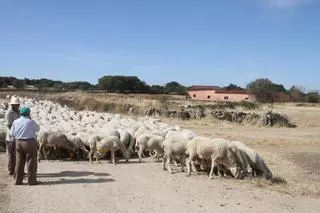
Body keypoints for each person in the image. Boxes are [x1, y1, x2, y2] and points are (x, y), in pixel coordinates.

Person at [10, 107, 40, 185]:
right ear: (29, 113)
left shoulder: (15, 122)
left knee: (19, 162)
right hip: (29, 143)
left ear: (20, 113)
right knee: (31, 162)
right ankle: (32, 181)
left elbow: (12, 134)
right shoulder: (31, 122)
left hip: (18, 143)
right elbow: (38, 129)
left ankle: (18, 180)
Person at [5, 96, 20, 176]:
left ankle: (18, 170)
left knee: (18, 155)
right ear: (12, 105)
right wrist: (19, 129)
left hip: (18, 137)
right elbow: (9, 125)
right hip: (11, 138)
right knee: (12, 155)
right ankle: (11, 171)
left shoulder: (18, 112)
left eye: (18, 104)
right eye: (15, 104)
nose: (17, 106)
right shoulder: (9, 113)